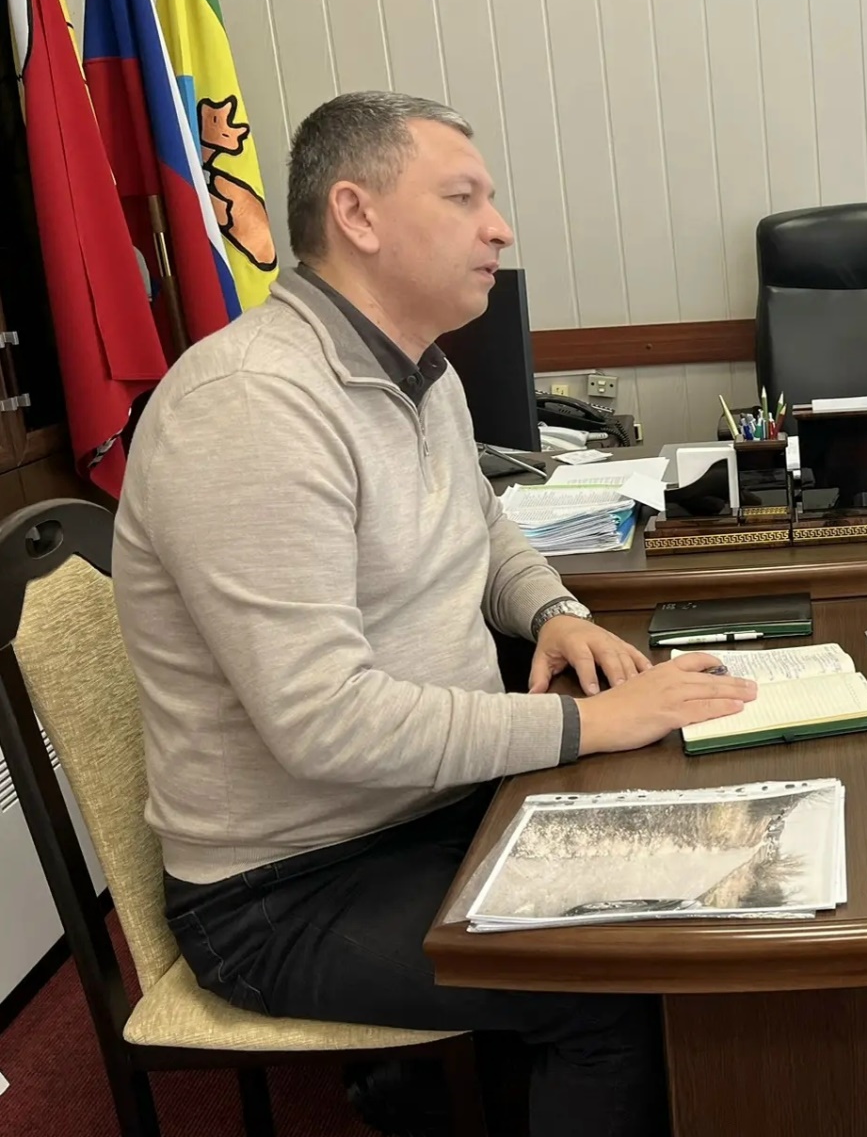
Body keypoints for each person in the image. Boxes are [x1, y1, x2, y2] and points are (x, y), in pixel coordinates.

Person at [112, 91, 759, 1137]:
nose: (499, 228)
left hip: (431, 811)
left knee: (698, 852)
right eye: (463, 199)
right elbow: (324, 723)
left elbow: (484, 529)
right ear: (357, 214)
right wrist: (583, 724)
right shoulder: (249, 406)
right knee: (612, 984)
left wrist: (552, 611)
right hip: (289, 885)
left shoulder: (423, 372)